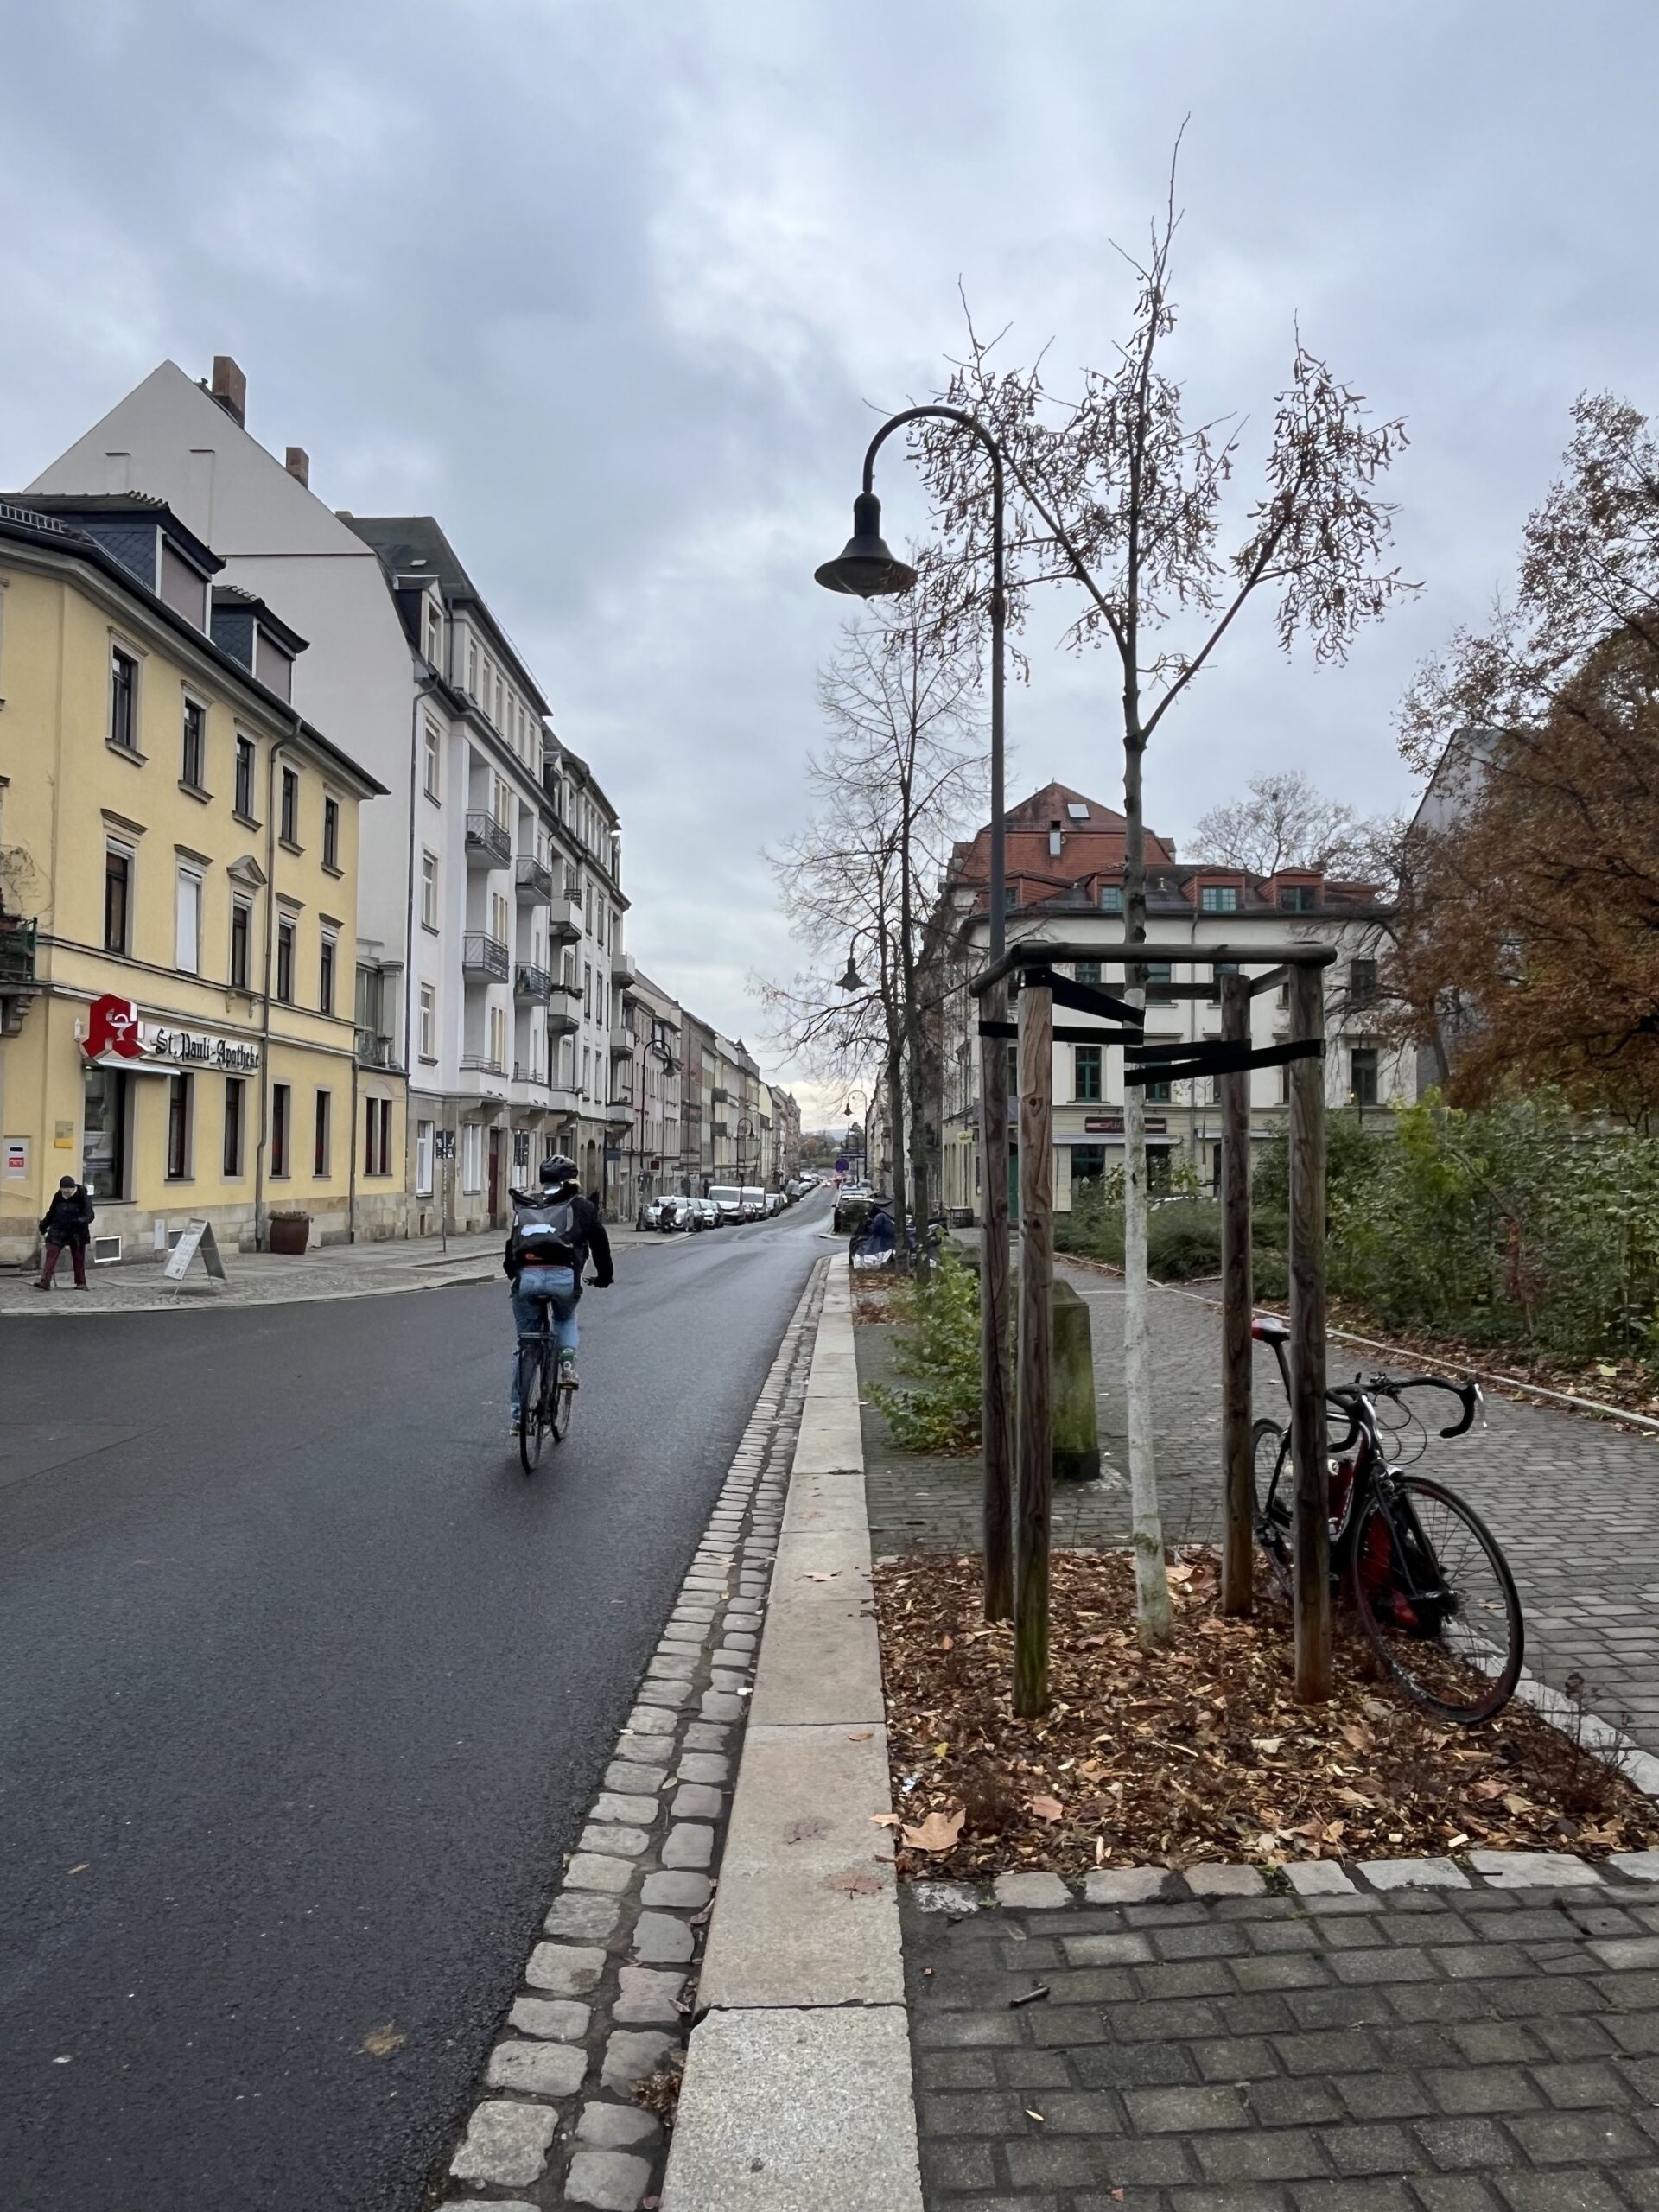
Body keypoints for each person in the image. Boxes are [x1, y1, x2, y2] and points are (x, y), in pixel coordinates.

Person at [504, 1154, 613, 1433]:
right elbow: (600, 1242)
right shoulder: (582, 1206)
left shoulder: (529, 1204)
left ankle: (518, 1417)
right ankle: (566, 1365)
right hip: (564, 1277)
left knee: (526, 1345)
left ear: (545, 1180)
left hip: (527, 1278)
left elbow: (512, 1246)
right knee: (564, 1318)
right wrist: (604, 1276)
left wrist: (516, 1276)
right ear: (570, 1180)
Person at [35, 1176, 95, 1291]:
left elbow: (90, 1215)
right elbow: (52, 1212)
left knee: (78, 1257)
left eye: (68, 1191)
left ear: (73, 1189)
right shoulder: (58, 1195)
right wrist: (44, 1225)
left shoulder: (82, 1195)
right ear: (61, 1189)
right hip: (59, 1229)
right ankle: (45, 1282)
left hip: (77, 1231)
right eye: (64, 1191)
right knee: (51, 1254)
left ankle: (81, 1283)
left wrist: (78, 1221)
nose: (66, 1194)